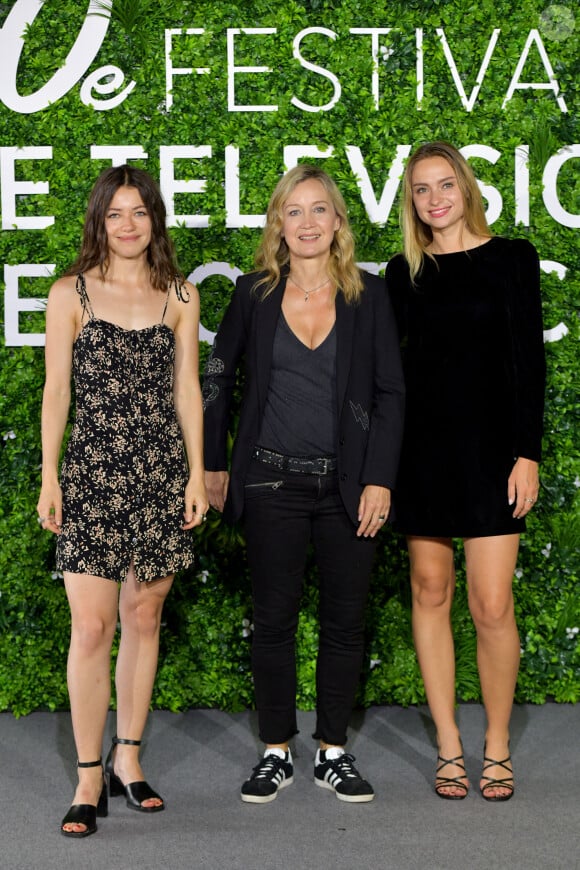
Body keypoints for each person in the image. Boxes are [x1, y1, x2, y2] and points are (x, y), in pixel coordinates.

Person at [203, 164, 405, 804]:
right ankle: (275, 750)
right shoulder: (252, 294)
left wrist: (379, 479)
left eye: (320, 210)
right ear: (278, 224)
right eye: (295, 211)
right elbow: (218, 381)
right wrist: (212, 464)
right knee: (273, 623)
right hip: (269, 485)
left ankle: (333, 752)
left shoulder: (368, 296)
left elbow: (391, 394)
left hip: (348, 490)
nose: (308, 223)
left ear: (338, 221)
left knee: (345, 625)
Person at [37, 165, 208, 837]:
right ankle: (87, 776)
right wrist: (50, 477)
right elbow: (56, 393)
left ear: (154, 220)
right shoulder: (69, 293)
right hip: (90, 475)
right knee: (92, 627)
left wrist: (196, 475)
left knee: (144, 618)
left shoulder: (181, 297)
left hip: (161, 474)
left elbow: (188, 391)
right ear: (99, 221)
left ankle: (128, 760)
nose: (129, 224)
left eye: (140, 212)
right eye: (116, 214)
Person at [386, 142, 545, 801]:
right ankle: (450, 746)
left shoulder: (513, 259)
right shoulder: (403, 272)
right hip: (421, 457)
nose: (434, 199)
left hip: (492, 457)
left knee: (491, 602)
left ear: (466, 186)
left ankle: (497, 743)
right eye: (421, 190)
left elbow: (530, 362)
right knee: (429, 591)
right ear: (411, 202)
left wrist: (527, 454)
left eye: (444, 184)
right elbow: (392, 379)